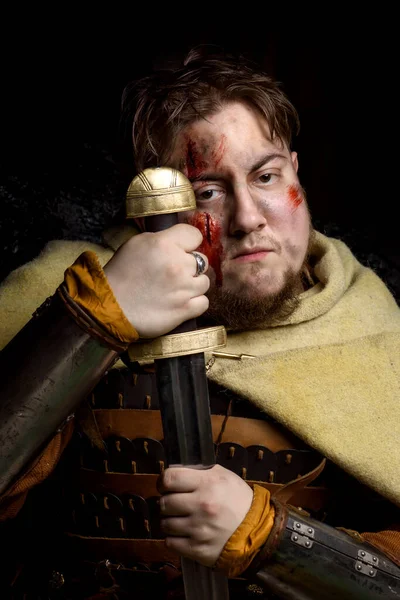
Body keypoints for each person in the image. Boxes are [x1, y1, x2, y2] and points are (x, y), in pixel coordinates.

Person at [1, 48, 400, 599]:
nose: (248, 217)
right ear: (147, 211)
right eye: (207, 191)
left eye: (266, 176)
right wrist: (91, 320)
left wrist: (275, 540)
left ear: (296, 173)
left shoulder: (377, 335)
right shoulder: (67, 299)